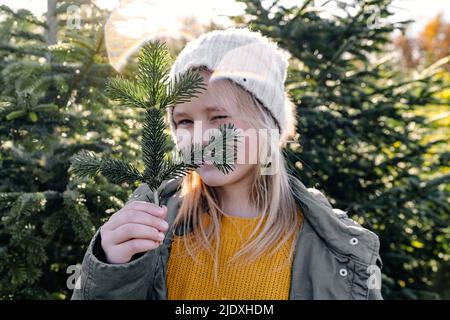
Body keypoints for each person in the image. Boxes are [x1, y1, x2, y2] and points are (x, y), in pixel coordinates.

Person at [72, 27, 383, 300]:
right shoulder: (155, 222)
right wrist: (112, 267)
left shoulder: (337, 247)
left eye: (219, 117)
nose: (198, 138)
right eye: (183, 121)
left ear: (267, 125)